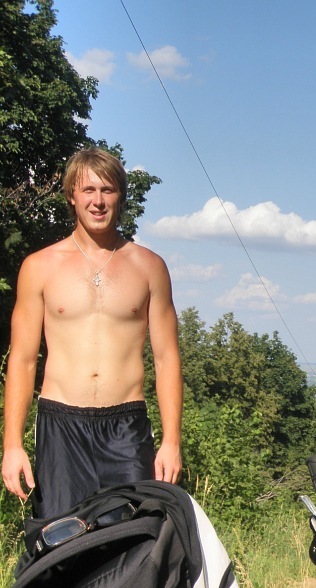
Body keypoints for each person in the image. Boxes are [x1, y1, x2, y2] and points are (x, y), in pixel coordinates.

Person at [2, 148, 183, 519]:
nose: (98, 201)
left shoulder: (149, 267)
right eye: (88, 190)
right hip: (61, 426)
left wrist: (171, 441)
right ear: (72, 195)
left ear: (120, 196)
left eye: (107, 190)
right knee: (61, 539)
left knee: (135, 536)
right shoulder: (39, 267)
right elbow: (22, 358)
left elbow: (167, 359)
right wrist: (12, 445)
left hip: (126, 428)